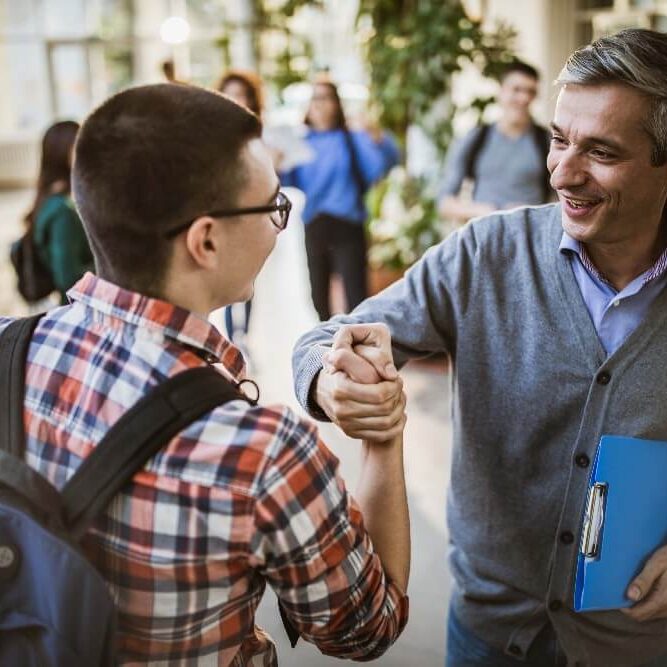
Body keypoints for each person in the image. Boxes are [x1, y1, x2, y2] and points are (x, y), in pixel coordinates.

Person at [293, 28, 667, 667]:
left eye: (601, 151)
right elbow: (327, 337)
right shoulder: (487, 254)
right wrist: (331, 381)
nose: (563, 172)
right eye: (557, 139)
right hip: (489, 635)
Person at [0, 83, 410, 664]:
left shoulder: (6, 348)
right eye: (273, 207)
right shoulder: (263, 454)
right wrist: (383, 435)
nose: (278, 224)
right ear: (206, 240)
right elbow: (369, 626)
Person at [280, 80, 400, 321]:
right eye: (315, 99)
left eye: (325, 98)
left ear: (336, 104)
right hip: (315, 223)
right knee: (318, 297)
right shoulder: (302, 142)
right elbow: (284, 177)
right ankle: (327, 350)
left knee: (356, 297)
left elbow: (384, 163)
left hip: (348, 223)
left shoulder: (353, 139)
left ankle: (357, 348)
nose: (319, 105)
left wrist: (379, 139)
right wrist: (275, 161)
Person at [438, 60, 552, 224]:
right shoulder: (476, 138)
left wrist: (531, 212)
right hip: (483, 239)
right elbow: (445, 203)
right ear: (501, 91)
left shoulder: (547, 141)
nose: (524, 98)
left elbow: (564, 201)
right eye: (516, 90)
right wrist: (482, 211)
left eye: (530, 92)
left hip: (532, 242)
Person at [217, 70, 264, 348]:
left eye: (242, 94)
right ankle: (231, 337)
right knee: (225, 276)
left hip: (252, 214)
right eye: (231, 93)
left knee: (248, 278)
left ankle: (243, 334)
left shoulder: (258, 133)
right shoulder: (213, 133)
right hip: (224, 214)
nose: (237, 99)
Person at [24, 120, 93, 304]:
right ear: (63, 152)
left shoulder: (51, 197)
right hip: (77, 307)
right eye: (80, 145)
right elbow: (68, 278)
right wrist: (111, 265)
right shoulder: (62, 211)